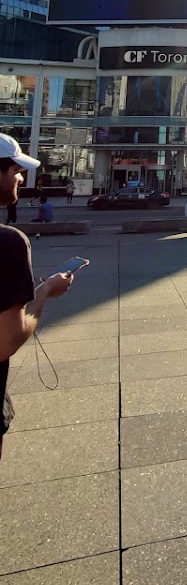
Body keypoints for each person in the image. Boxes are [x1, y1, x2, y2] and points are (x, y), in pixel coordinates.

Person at [0, 135, 74, 457]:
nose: (20, 177)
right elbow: (6, 340)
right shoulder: (9, 244)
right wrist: (43, 293)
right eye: (15, 170)